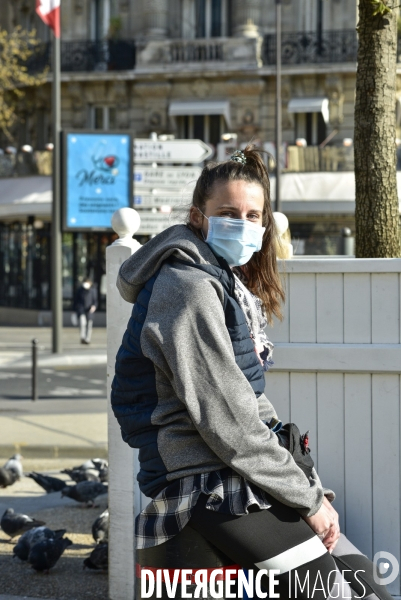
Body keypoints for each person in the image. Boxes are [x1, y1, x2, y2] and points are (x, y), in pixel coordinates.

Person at [111, 146, 391, 600]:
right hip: (204, 485)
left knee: (365, 584)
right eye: (227, 212)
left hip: (239, 478)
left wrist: (306, 484)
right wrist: (310, 502)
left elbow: (253, 403)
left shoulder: (222, 281)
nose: (241, 223)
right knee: (338, 593)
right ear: (198, 217)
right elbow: (230, 421)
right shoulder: (188, 288)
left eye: (252, 215)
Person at [73, 277, 98, 345]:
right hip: (81, 309)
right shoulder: (80, 290)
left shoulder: (93, 291)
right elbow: (76, 300)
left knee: (89, 325)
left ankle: (87, 339)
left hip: (90, 310)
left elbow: (95, 301)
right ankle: (82, 337)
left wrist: (94, 307)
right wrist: (75, 310)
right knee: (82, 323)